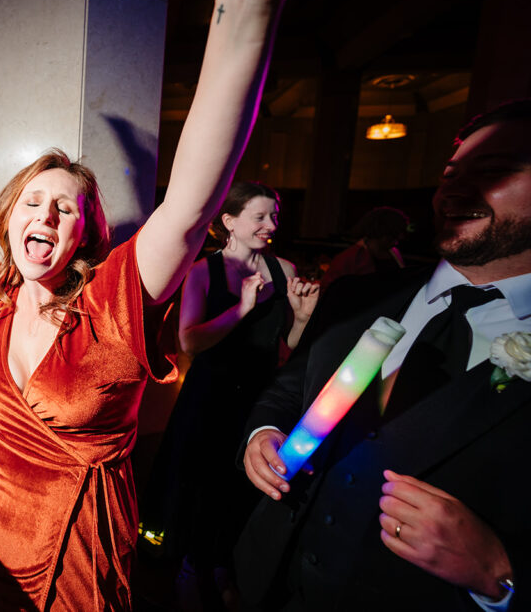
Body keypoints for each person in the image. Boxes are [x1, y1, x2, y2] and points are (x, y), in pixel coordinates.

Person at [0, 0, 324, 607]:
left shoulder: (114, 300)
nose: (48, 215)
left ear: (87, 230)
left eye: (67, 207)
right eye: (34, 201)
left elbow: (186, 208)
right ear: (10, 217)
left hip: (74, 550)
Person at [237, 99, 531, 611]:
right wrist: (261, 434)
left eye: (494, 171)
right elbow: (290, 388)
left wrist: (498, 573)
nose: (457, 190)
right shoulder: (357, 296)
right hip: (271, 582)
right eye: (451, 174)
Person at [143, 181, 317, 609]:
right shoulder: (204, 272)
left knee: (245, 488)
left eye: (273, 216)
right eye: (260, 217)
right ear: (230, 222)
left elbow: (291, 348)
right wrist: (241, 307)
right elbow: (189, 342)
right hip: (210, 398)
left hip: (262, 396)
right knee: (201, 484)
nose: (270, 225)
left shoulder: (286, 271)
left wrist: (301, 319)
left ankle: (224, 566)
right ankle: (189, 567)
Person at [320, 206, 410, 291]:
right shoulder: (351, 257)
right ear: (381, 232)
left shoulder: (394, 253)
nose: (399, 238)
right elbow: (328, 289)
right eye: (393, 235)